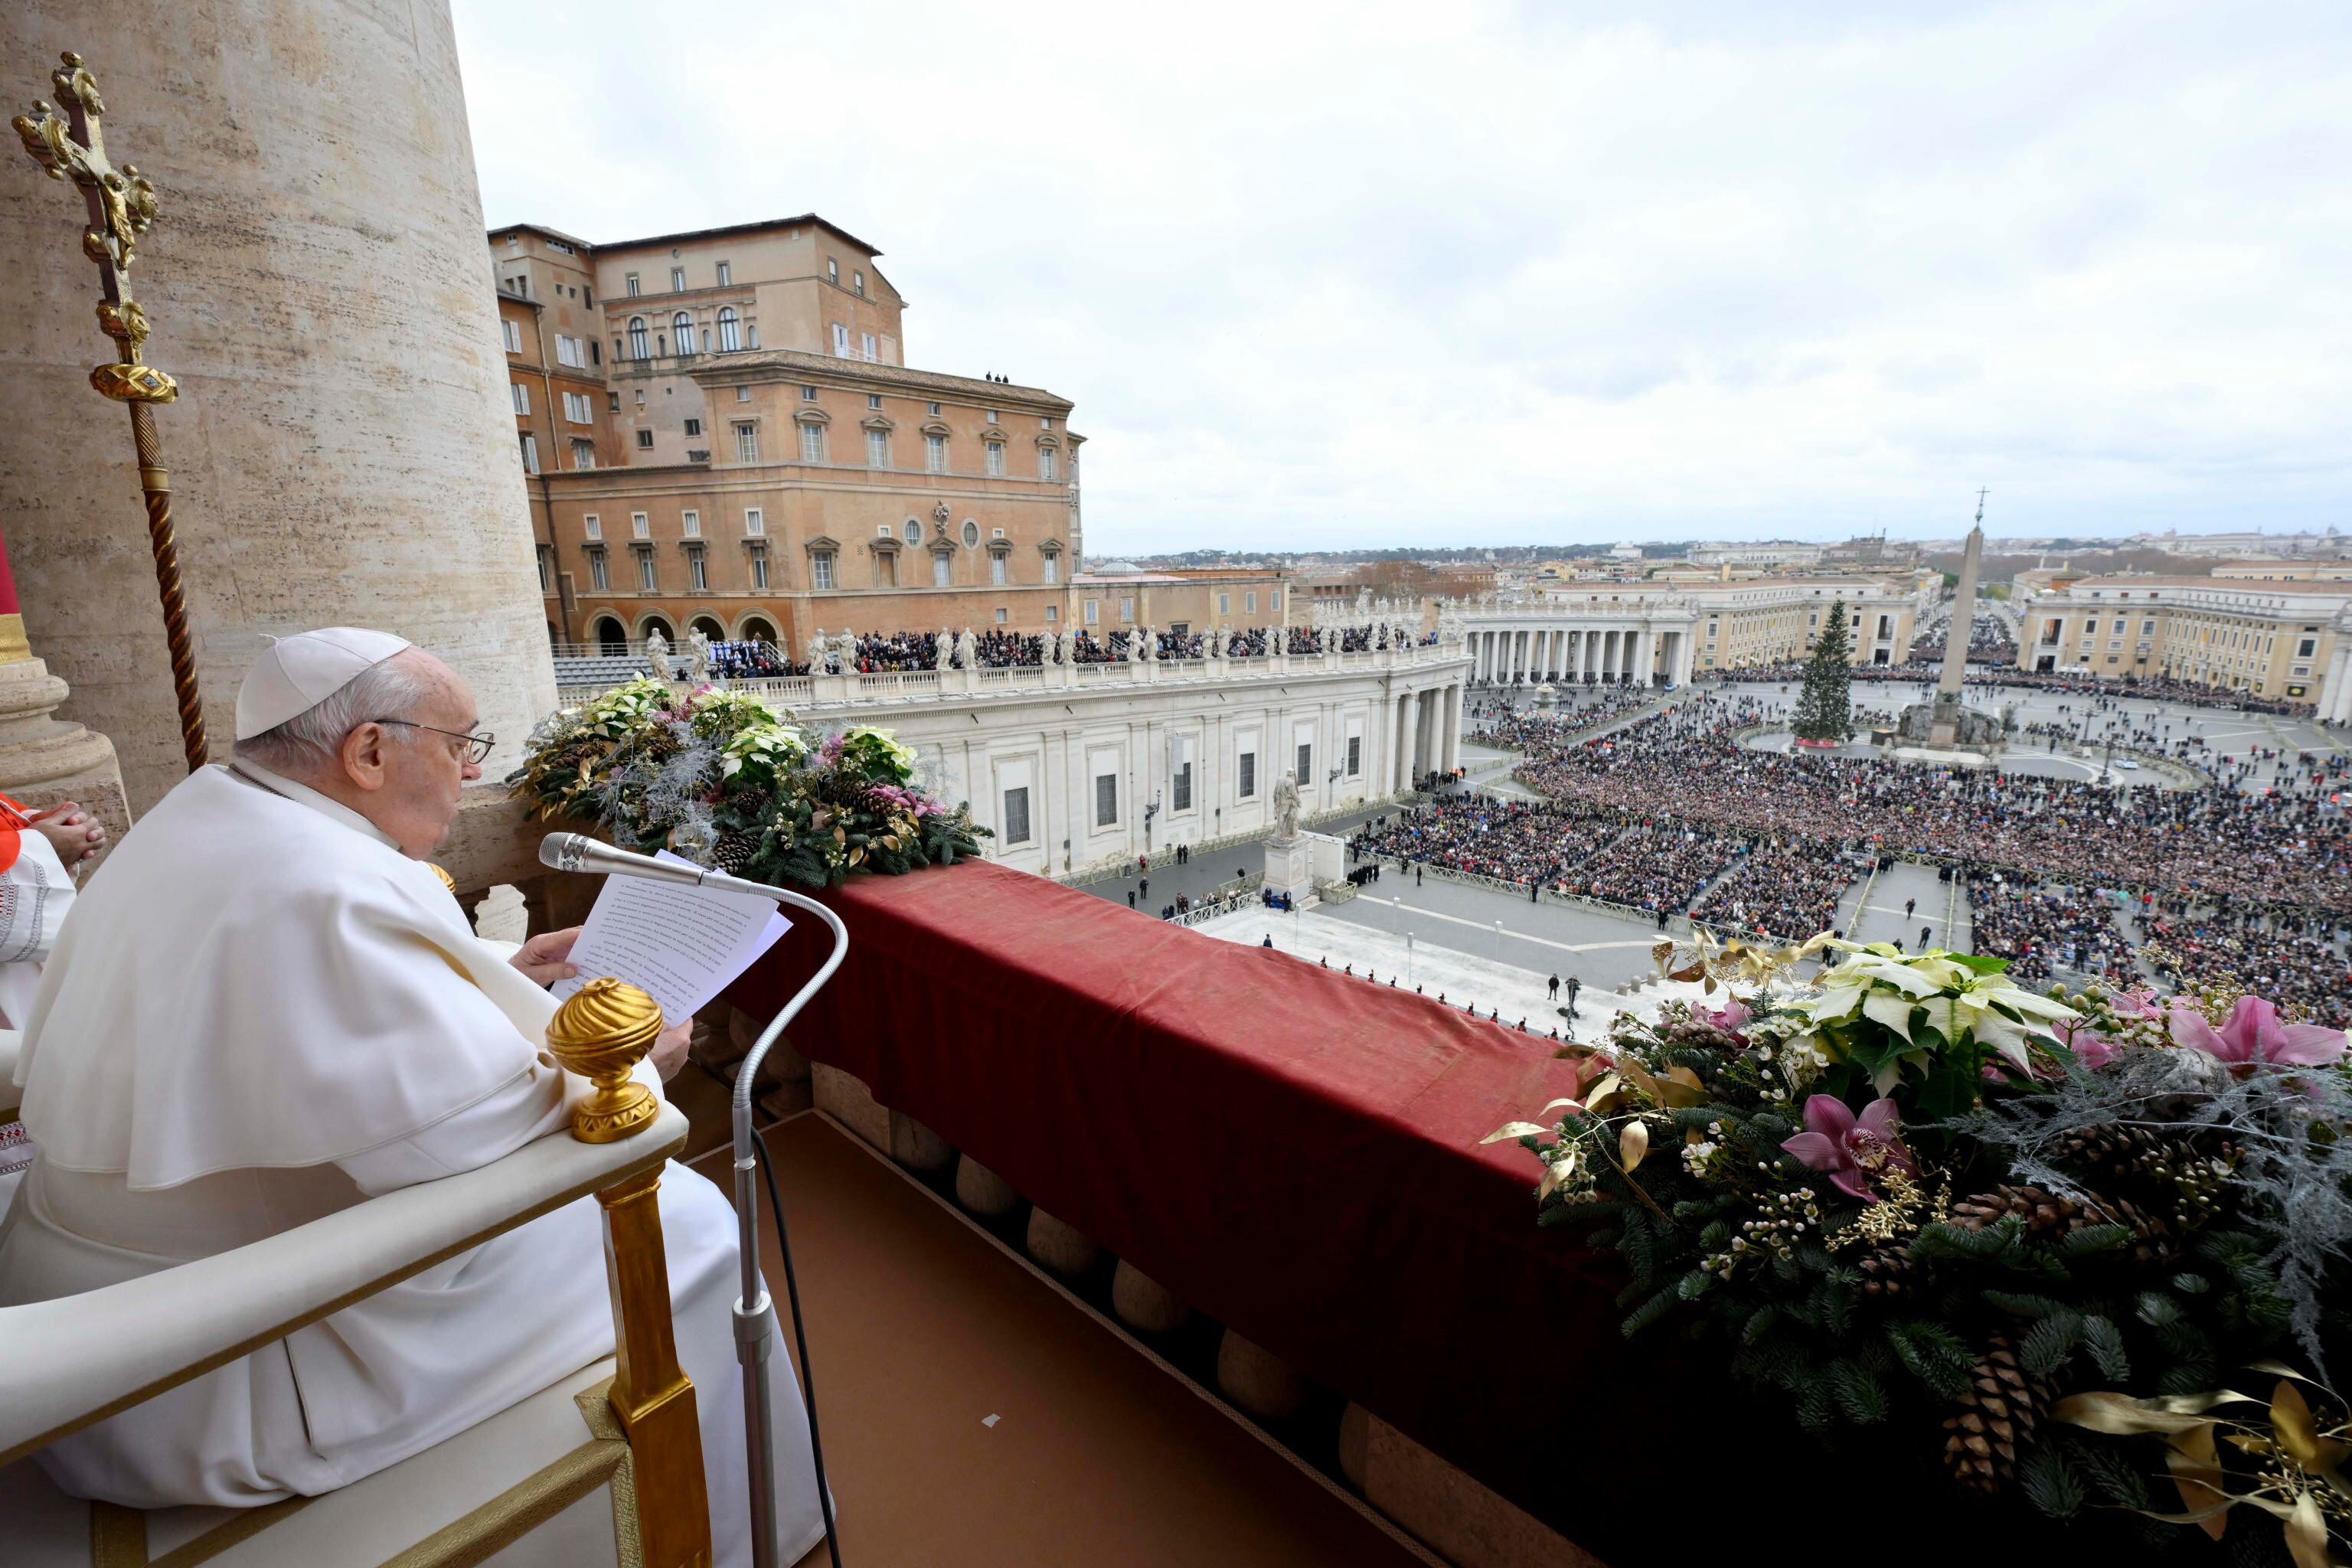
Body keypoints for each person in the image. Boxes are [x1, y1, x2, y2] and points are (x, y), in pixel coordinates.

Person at [0, 629, 826, 1566]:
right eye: (462, 743)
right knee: (693, 1220)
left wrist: (491, 971)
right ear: (367, 751)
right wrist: (641, 1066)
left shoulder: (210, 813)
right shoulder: (323, 882)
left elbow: (304, 1013)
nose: (472, 773)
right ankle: (739, 1538)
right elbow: (466, 1146)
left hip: (79, 1275)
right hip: (197, 1371)